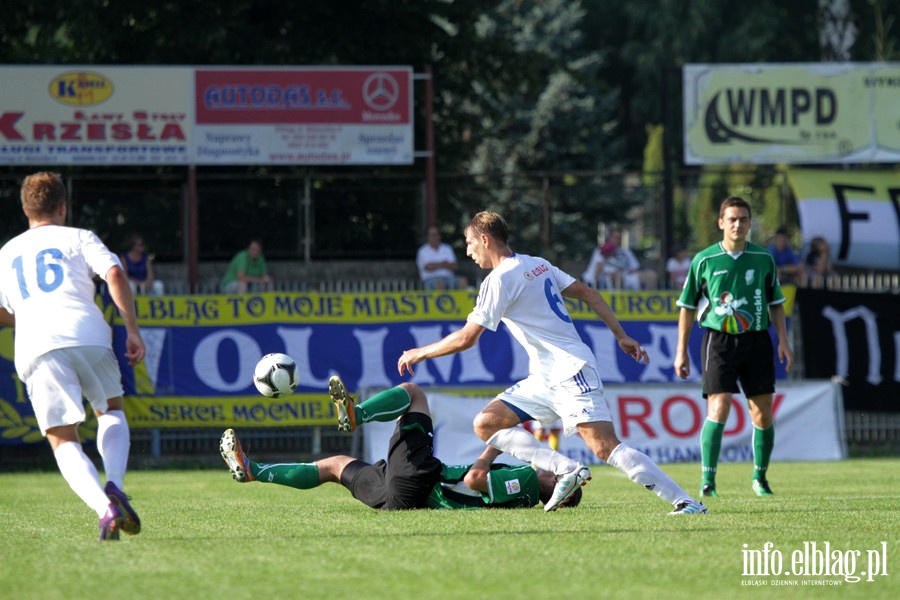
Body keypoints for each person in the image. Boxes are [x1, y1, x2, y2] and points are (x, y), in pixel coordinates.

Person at [397, 211, 706, 515]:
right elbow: (587, 293)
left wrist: (419, 353)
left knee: (604, 447)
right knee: (487, 423)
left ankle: (686, 502)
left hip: (571, 370)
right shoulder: (536, 264)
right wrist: (620, 335)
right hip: (545, 377)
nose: (468, 250)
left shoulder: (499, 280)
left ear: (486, 239)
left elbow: (467, 338)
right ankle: (566, 469)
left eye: (469, 242)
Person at [0, 172, 145, 540]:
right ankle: (114, 482)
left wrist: (27, 316)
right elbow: (114, 272)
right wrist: (131, 329)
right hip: (88, 333)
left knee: (63, 439)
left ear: (24, 208)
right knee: (110, 409)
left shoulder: (7, 252)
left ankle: (104, 508)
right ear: (63, 206)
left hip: (36, 344)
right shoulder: (79, 237)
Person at [220, 376, 580, 510]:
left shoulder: (531, 486)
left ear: (557, 494)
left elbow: (474, 480)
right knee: (335, 466)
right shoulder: (526, 492)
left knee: (413, 393)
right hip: (401, 498)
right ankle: (254, 470)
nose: (550, 469)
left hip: (422, 481)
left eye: (557, 477)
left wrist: (498, 442)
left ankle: (356, 414)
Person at [674, 197, 793, 499]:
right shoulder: (704, 260)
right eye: (732, 219)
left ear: (750, 223)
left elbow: (776, 304)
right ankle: (708, 482)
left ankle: (760, 478)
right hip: (719, 340)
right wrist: (681, 350)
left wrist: (784, 341)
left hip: (757, 340)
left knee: (762, 415)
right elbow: (687, 307)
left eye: (743, 219)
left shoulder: (763, 258)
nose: (738, 224)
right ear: (721, 223)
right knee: (720, 405)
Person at [583, 228, 657, 290]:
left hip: (626, 274)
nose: (617, 240)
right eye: (616, 238)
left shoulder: (626, 251)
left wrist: (628, 271)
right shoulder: (600, 250)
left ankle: (648, 299)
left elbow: (634, 267)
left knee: (651, 275)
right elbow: (598, 267)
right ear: (610, 238)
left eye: (619, 238)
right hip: (608, 277)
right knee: (617, 275)